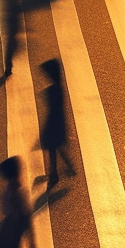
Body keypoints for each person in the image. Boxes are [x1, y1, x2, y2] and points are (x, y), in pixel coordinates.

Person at [40, 58, 75, 187]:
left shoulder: (53, 90)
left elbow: (51, 106)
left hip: (53, 122)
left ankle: (56, 173)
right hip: (58, 121)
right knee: (56, 148)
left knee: (53, 148)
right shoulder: (58, 88)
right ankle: (60, 170)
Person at [1, 0, 22, 77]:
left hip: (12, 15)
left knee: (11, 41)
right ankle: (8, 65)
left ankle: (8, 64)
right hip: (11, 16)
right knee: (11, 42)